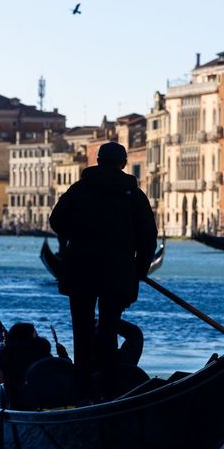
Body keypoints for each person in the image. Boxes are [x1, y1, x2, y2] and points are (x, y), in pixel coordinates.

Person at [49, 141, 158, 398]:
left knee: (82, 330)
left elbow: (56, 221)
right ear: (123, 163)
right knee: (109, 330)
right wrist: (139, 269)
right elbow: (148, 238)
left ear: (98, 160)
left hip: (81, 270)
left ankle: (83, 389)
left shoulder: (79, 189)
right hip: (118, 273)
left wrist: (74, 236)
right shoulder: (134, 195)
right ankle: (110, 389)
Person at [0, 322, 51, 407]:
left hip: (17, 399)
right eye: (35, 333)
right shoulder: (42, 351)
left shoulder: (7, 353)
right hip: (45, 395)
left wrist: (1, 350)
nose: (37, 335)